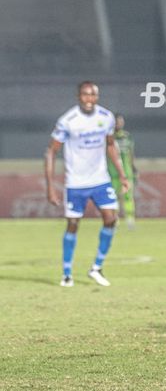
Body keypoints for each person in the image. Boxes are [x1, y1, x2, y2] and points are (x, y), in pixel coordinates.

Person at [45, 81, 130, 287]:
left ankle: (96, 267)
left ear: (97, 97)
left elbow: (111, 146)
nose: (89, 99)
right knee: (73, 224)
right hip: (76, 182)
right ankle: (67, 273)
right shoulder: (68, 120)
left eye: (93, 95)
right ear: (78, 96)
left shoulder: (106, 117)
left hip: (100, 179)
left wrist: (122, 175)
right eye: (85, 95)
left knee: (111, 218)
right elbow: (51, 151)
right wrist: (50, 186)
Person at [108, 114, 137, 229]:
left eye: (120, 121)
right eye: (116, 122)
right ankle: (114, 220)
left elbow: (131, 154)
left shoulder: (127, 137)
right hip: (112, 173)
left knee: (128, 197)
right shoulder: (109, 137)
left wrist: (134, 168)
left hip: (127, 173)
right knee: (112, 197)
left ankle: (130, 219)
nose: (119, 123)